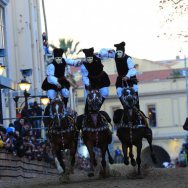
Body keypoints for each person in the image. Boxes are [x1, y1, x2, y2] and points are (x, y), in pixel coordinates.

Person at [79, 47, 110, 114]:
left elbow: (104, 53)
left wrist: (109, 50)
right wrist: (88, 84)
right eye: (88, 58)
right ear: (86, 58)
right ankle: (87, 112)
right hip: (91, 81)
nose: (89, 60)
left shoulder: (97, 58)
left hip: (101, 79)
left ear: (92, 57)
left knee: (105, 93)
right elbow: (84, 76)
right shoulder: (84, 65)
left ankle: (97, 107)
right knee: (87, 97)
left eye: (90, 58)